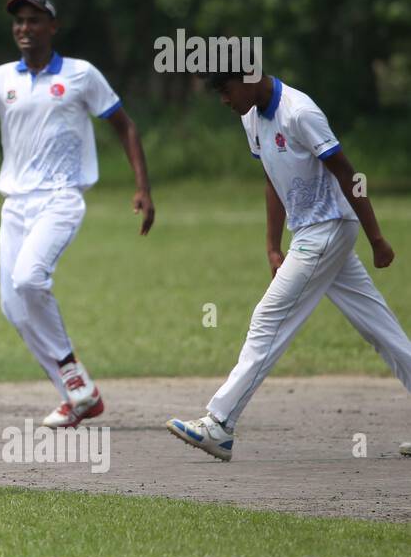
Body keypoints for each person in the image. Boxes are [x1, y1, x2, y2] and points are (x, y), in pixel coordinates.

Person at [0, 0, 154, 428]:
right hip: (15, 205)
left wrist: (142, 188)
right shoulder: (1, 79)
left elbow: (124, 126)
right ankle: (78, 397)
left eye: (34, 20)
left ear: (52, 27)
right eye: (19, 21)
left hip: (61, 198)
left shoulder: (81, 75)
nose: (24, 28)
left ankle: (73, 376)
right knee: (12, 305)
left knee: (29, 279)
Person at [166, 71, 411, 460]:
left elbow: (349, 174)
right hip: (311, 233)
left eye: (225, 89)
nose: (223, 100)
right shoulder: (251, 116)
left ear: (249, 77)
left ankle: (219, 423)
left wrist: (376, 237)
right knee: (380, 328)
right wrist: (272, 245)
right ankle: (219, 424)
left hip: (327, 228)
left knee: (268, 319)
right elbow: (271, 177)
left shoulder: (300, 113)